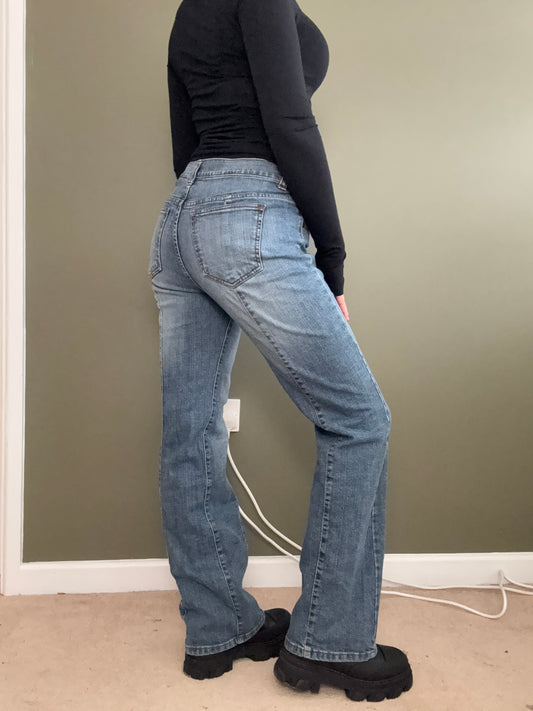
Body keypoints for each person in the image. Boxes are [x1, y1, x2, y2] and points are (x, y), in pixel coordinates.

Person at [148, 0, 413, 702]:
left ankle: (219, 628)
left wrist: (202, 222)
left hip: (181, 216)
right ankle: (329, 641)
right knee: (359, 420)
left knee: (190, 431)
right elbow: (290, 120)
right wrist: (332, 258)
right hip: (248, 211)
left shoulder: (191, 7)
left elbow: (184, 130)